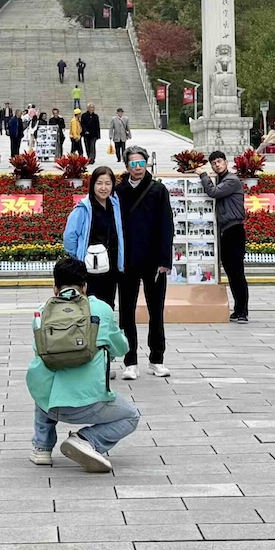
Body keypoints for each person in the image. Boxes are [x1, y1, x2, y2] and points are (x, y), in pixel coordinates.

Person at [27, 256, 140, 473]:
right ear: (85, 286)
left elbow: (38, 353)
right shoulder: (101, 309)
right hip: (90, 404)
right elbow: (121, 349)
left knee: (41, 379)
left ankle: (42, 448)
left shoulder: (42, 312)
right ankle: (86, 439)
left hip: (49, 404)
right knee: (131, 415)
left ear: (55, 287)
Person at [115, 147, 173, 380]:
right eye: (133, 164)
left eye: (141, 164)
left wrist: (164, 260)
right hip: (127, 262)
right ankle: (130, 362)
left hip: (153, 262)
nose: (137, 168)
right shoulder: (118, 191)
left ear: (147, 164)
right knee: (126, 313)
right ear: (127, 166)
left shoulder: (158, 190)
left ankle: (156, 359)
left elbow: (166, 226)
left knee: (155, 311)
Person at [63, 166, 124, 308]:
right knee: (90, 307)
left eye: (108, 183)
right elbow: (69, 237)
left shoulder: (115, 205)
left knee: (108, 306)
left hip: (111, 267)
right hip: (90, 269)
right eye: (99, 183)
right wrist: (79, 256)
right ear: (92, 185)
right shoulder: (84, 208)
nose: (104, 188)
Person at [201, 150, 249, 322]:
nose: (217, 165)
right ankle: (238, 309)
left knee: (237, 272)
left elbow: (213, 192)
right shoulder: (221, 179)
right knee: (230, 271)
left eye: (219, 161)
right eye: (213, 163)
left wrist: (203, 175)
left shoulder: (231, 180)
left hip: (234, 229)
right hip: (225, 231)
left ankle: (243, 310)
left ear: (226, 162)